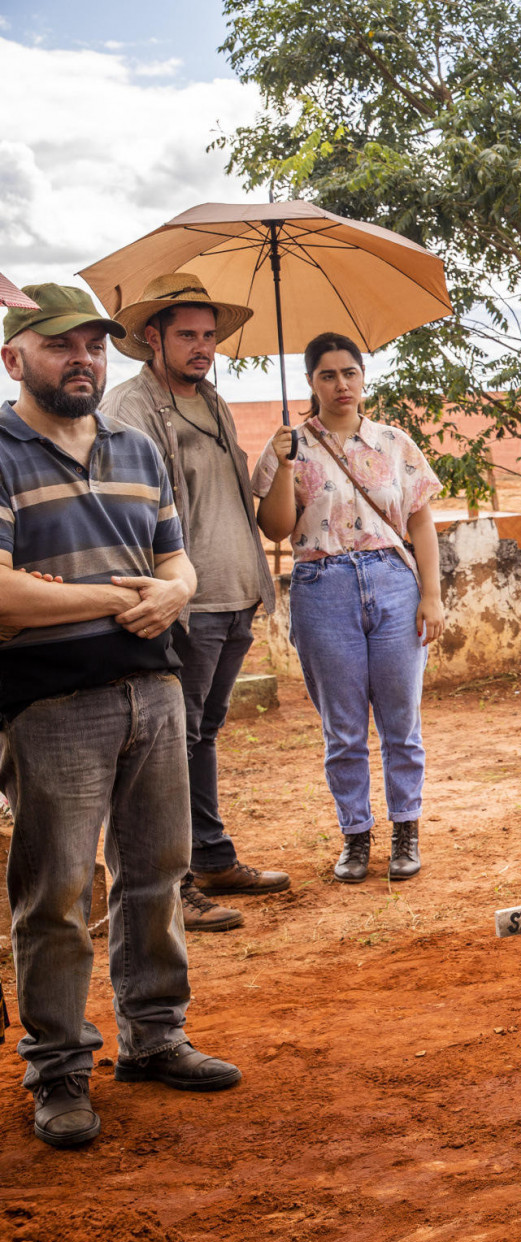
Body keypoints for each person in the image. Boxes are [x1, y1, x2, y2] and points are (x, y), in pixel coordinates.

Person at [1, 285, 241, 1150]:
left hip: (155, 692)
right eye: (61, 345)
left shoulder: (137, 447)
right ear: (13, 357)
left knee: (158, 874)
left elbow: (177, 564)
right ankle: (59, 1068)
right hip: (52, 704)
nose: (84, 360)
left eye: (95, 346)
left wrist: (169, 590)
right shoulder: (0, 450)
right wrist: (123, 597)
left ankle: (154, 1035)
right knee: (59, 893)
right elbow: (2, 594)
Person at [100, 274, 288, 932]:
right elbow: (130, 513)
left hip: (237, 598)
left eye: (210, 335)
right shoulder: (131, 407)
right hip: (186, 606)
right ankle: (172, 883)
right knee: (170, 746)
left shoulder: (213, 401)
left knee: (201, 736)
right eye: (187, 334)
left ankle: (210, 855)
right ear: (152, 336)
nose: (202, 346)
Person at [253, 333, 444, 883]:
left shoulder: (393, 442)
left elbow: (420, 521)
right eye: (327, 375)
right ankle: (355, 837)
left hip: (392, 581)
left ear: (363, 378)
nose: (341, 385)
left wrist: (431, 594)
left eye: (350, 373)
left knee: (401, 720)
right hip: (321, 584)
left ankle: (406, 829)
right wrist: (286, 466)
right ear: (310, 382)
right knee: (344, 729)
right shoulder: (289, 446)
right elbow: (275, 528)